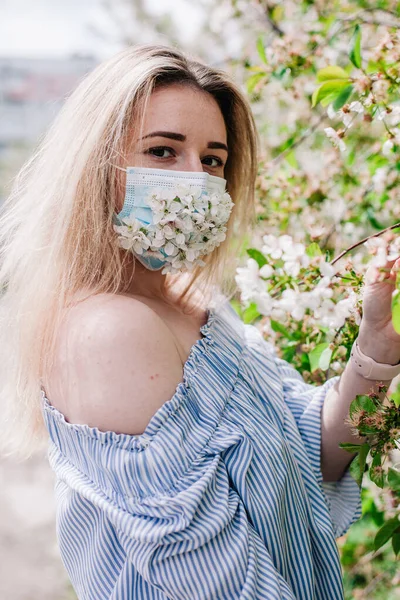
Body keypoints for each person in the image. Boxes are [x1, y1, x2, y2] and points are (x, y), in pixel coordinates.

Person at [1, 44, 400, 600]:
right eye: (163, 151)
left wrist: (376, 348)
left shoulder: (195, 300)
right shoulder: (109, 332)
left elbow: (313, 458)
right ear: (94, 167)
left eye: (212, 160)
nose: (197, 179)